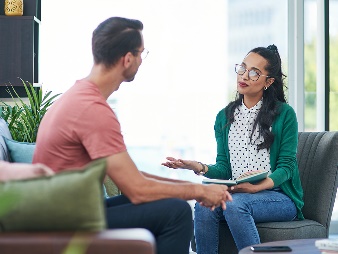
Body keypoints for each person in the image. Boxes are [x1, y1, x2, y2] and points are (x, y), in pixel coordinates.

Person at [32, 17, 232, 254]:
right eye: (141, 53)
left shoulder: (79, 96)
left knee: (172, 202)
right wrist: (199, 191)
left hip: (68, 212)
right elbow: (137, 189)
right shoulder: (93, 110)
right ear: (127, 59)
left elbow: (131, 177)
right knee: (176, 212)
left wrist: (193, 187)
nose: (140, 60)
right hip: (65, 222)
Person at [162, 44, 304, 252]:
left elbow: (287, 166)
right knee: (204, 205)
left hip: (278, 196)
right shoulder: (224, 117)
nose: (244, 76)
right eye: (242, 68)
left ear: (269, 81)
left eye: (254, 72)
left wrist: (256, 187)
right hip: (238, 193)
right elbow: (225, 168)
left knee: (235, 205)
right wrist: (198, 166)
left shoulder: (285, 114)